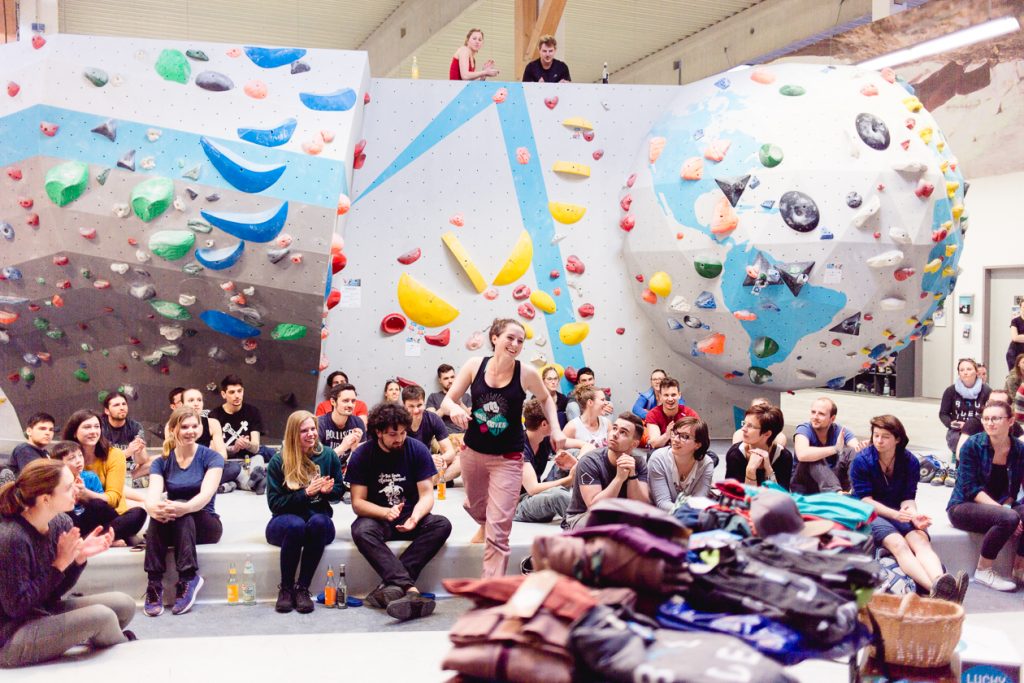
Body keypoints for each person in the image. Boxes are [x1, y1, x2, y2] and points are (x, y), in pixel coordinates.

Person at [443, 318, 564, 577]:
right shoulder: (475, 366)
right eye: (510, 337)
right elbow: (448, 400)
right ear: (495, 338)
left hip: (508, 458)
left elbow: (546, 399)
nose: (516, 344)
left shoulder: (526, 373)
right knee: (474, 505)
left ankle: (491, 589)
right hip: (472, 452)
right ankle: (485, 523)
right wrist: (453, 408)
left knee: (500, 530)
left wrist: (555, 428)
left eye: (521, 340)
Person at [0, 459, 134, 667]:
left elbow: (53, 593)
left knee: (124, 604)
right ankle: (127, 656)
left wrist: (77, 560)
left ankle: (89, 638)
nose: (78, 490)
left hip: (41, 611)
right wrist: (59, 565)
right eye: (69, 487)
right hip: (10, 636)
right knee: (103, 617)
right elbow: (16, 608)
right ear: (45, 498)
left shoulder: (60, 522)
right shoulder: (11, 537)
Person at [348, 403, 452, 621]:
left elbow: (426, 495)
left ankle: (390, 587)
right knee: (360, 530)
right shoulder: (363, 454)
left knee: (441, 524)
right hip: (379, 516)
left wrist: (415, 517)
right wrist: (385, 513)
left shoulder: (417, 449)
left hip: (409, 515)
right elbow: (358, 503)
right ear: (378, 432)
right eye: (393, 434)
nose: (399, 439)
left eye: (403, 433)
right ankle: (410, 589)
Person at [851, 415, 963, 602]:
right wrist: (897, 514)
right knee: (898, 544)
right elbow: (865, 500)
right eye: (876, 435)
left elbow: (908, 498)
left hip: (897, 511)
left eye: (885, 436)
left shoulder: (909, 461)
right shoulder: (862, 460)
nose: (878, 440)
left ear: (897, 439)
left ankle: (939, 581)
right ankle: (939, 592)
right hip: (867, 513)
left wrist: (913, 515)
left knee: (920, 540)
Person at [143, 408, 224, 617]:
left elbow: (205, 495)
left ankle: (188, 578)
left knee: (179, 506)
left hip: (206, 523)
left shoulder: (212, 457)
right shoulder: (161, 462)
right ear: (172, 429)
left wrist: (184, 507)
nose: (190, 431)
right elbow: (152, 494)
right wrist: (154, 508)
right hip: (177, 522)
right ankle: (154, 584)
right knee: (159, 512)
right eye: (184, 427)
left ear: (201, 428)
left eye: (194, 426)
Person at [266, 410, 344, 614]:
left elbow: (338, 494)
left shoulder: (328, 455)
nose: (311, 434)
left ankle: (302, 588)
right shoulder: (278, 460)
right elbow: (275, 504)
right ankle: (286, 588)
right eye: (304, 431)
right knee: (296, 525)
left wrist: (328, 492)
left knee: (318, 522)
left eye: (313, 429)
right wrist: (306, 493)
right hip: (285, 523)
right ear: (293, 433)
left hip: (318, 522)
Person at [947, 399, 1024, 592]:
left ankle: (1019, 566)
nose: (990, 423)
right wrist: (1005, 512)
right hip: (963, 507)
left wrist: (1008, 507)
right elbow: (970, 489)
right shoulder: (972, 446)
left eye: (996, 418)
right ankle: (984, 569)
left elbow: (1013, 490)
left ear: (1011, 421)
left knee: (1015, 513)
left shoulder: (1019, 449)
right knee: (1009, 517)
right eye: (986, 419)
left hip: (1001, 507)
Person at [62, 410, 146, 544]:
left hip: (110, 515)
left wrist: (85, 493)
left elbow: (113, 500)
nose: (93, 431)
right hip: (78, 516)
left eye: (97, 427)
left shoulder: (115, 455)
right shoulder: (62, 455)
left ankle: (94, 539)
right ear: (74, 432)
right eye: (87, 427)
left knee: (137, 513)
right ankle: (112, 538)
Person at [563, 413, 649, 530]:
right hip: (582, 517)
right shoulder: (590, 461)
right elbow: (595, 507)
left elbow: (641, 506)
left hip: (617, 517)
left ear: (634, 443)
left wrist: (632, 476)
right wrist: (619, 479)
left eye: (623, 432)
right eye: (614, 428)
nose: (614, 434)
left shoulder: (638, 463)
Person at [515, 398, 586, 525]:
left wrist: (576, 462)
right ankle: (588, 521)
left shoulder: (547, 439)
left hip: (535, 495)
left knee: (574, 453)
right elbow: (532, 489)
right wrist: (568, 479)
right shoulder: (519, 447)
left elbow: (586, 446)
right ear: (544, 424)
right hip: (518, 505)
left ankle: (590, 502)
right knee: (557, 495)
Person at [208, 375, 268, 493]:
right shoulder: (214, 415)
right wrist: (234, 448)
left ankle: (234, 484)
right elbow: (214, 451)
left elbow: (255, 447)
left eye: (239, 391)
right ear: (224, 394)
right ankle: (253, 483)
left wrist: (247, 444)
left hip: (248, 461)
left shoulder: (253, 412)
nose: (237, 395)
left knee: (259, 457)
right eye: (232, 392)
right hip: (228, 463)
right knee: (234, 470)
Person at [791, 397, 863, 494]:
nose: (815, 417)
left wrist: (863, 448)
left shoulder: (839, 431)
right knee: (813, 456)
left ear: (832, 418)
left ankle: (855, 491)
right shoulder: (804, 429)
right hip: (807, 484)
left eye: (821, 414)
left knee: (853, 452)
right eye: (813, 412)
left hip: (833, 480)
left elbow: (856, 448)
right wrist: (835, 449)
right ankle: (836, 494)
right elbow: (802, 454)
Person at [648, 417, 714, 511]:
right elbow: (662, 503)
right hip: (659, 518)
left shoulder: (706, 464)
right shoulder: (658, 459)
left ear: (698, 444)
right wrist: (689, 512)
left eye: (685, 436)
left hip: (690, 519)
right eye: (674, 433)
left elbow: (699, 502)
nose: (675, 440)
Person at [52, 440, 116, 536]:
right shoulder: (55, 481)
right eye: (72, 458)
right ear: (59, 463)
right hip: (69, 523)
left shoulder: (90, 477)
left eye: (80, 455)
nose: (78, 460)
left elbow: (102, 507)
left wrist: (85, 494)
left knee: (138, 513)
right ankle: (106, 537)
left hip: (90, 521)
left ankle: (102, 536)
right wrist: (73, 495)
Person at [725, 403, 792, 489]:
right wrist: (750, 471)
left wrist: (769, 470)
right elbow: (736, 497)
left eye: (750, 426)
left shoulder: (783, 457)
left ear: (767, 433)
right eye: (744, 424)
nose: (743, 429)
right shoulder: (735, 454)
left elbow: (780, 498)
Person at [939, 358, 991, 459]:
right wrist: (950, 423)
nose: (965, 372)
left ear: (976, 372)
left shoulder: (986, 391)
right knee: (956, 440)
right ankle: (959, 459)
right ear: (959, 373)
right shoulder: (950, 391)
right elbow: (943, 413)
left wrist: (970, 425)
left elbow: (989, 413)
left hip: (980, 428)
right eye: (962, 370)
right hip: (957, 430)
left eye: (969, 369)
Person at [402, 385, 457, 480]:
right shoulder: (398, 421)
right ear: (404, 406)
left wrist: (440, 459)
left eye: (419, 405)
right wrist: (427, 459)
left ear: (424, 403)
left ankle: (426, 483)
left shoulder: (433, 418)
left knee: (459, 461)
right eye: (411, 406)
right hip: (407, 465)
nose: (416, 410)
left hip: (427, 466)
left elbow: (450, 452)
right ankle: (434, 481)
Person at [316, 383, 366, 478]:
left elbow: (362, 460)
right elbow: (316, 462)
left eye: (353, 401)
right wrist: (342, 447)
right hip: (323, 473)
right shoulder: (319, 424)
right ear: (333, 402)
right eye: (345, 401)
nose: (350, 405)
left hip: (346, 472)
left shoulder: (358, 422)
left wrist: (355, 449)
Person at [644, 377, 699, 449]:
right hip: (662, 453)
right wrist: (667, 435)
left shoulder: (690, 414)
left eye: (673, 395)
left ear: (679, 395)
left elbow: (699, 440)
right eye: (666, 395)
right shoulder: (653, 414)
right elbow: (654, 443)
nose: (670, 399)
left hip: (685, 451)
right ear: (660, 396)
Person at [426, 364, 471, 445]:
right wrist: (446, 405)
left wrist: (459, 403)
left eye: (452, 377)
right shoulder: (433, 397)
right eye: (446, 378)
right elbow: (430, 421)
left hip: (464, 436)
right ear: (440, 380)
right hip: (444, 437)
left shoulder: (466, 396)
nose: (450, 380)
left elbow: (471, 418)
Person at [100, 393, 146, 462]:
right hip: (107, 467)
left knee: (155, 461)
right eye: (116, 405)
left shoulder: (136, 426)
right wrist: (126, 453)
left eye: (124, 404)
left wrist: (139, 450)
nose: (122, 408)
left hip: (129, 466)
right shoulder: (100, 427)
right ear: (107, 411)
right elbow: (100, 458)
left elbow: (141, 461)